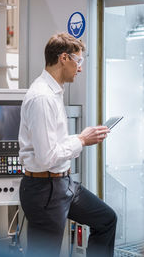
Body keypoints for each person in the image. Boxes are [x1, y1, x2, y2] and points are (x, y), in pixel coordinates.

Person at [18, 32, 117, 257]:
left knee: (106, 219)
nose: (80, 68)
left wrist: (82, 138)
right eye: (78, 61)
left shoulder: (54, 92)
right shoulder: (42, 98)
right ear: (64, 58)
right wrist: (82, 139)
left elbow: (54, 145)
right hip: (45, 190)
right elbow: (46, 157)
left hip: (63, 184)